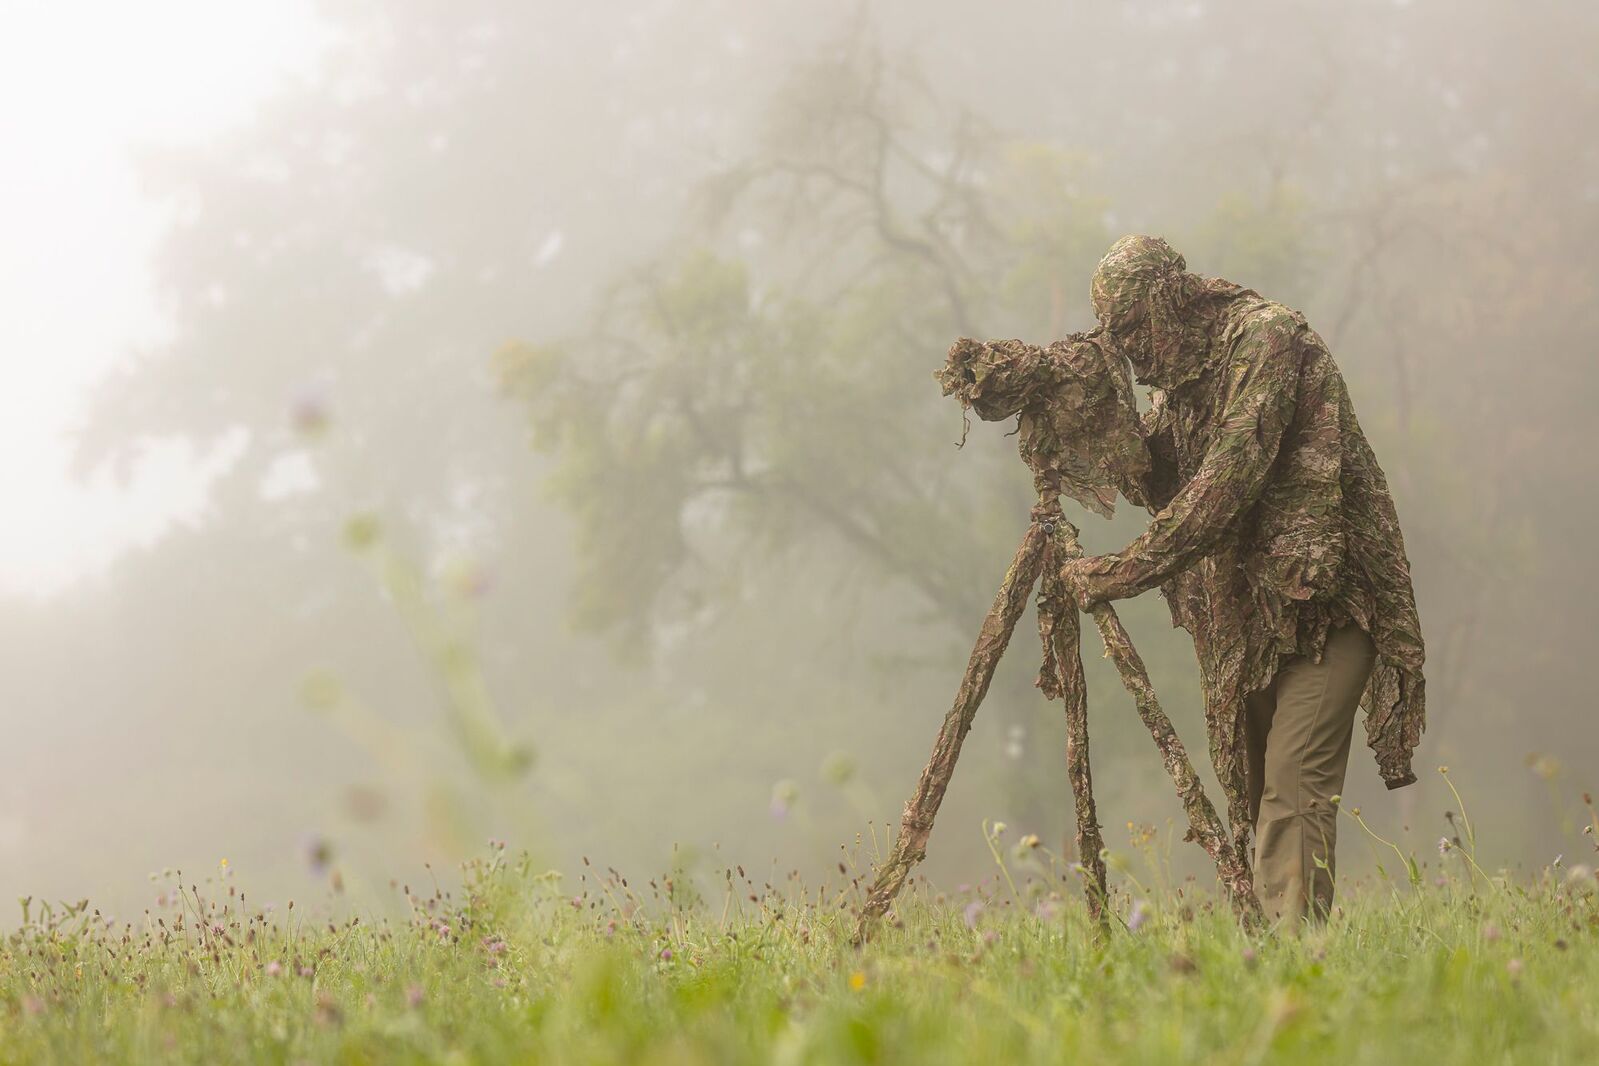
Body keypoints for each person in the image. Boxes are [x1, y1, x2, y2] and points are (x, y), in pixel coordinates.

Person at [1057, 235, 1427, 926]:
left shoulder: (1266, 340)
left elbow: (1223, 484)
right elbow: (1148, 471)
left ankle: (1293, 971)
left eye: (1134, 326)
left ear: (1171, 303)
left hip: (1331, 606)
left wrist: (1118, 572)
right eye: (1117, 334)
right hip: (1247, 620)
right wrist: (1068, 399)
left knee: (1292, 789)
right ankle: (1274, 971)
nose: (1130, 348)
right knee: (1261, 794)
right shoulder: (1182, 383)